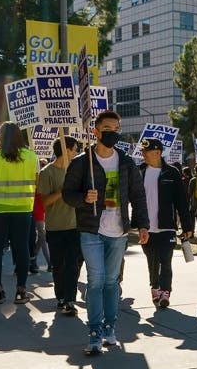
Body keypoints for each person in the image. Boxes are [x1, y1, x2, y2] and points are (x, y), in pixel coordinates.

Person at [62, 110, 149, 355]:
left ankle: (111, 327)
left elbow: (138, 196)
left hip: (119, 232)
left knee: (112, 282)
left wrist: (142, 224)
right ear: (96, 132)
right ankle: (94, 332)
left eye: (116, 129)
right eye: (107, 129)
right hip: (91, 230)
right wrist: (83, 197)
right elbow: (68, 194)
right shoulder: (82, 162)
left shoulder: (126, 162)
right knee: (96, 280)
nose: (112, 133)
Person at [0, 121, 40, 305]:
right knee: (21, 248)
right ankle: (21, 291)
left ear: (0, 136)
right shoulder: (32, 157)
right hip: (23, 209)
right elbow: (37, 185)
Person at [138, 137, 193, 309]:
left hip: (167, 226)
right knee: (152, 261)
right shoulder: (139, 171)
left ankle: (165, 292)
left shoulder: (172, 173)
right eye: (142, 151)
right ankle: (154, 287)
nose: (143, 154)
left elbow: (181, 201)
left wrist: (187, 226)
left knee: (166, 261)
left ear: (157, 152)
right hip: (146, 227)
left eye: (145, 151)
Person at [38, 136, 82, 316]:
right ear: (66, 150)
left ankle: (70, 299)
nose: (77, 152)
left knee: (73, 264)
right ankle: (61, 297)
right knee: (59, 265)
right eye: (75, 149)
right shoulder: (46, 172)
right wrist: (63, 191)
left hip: (75, 226)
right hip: (55, 227)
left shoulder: (77, 170)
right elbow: (45, 201)